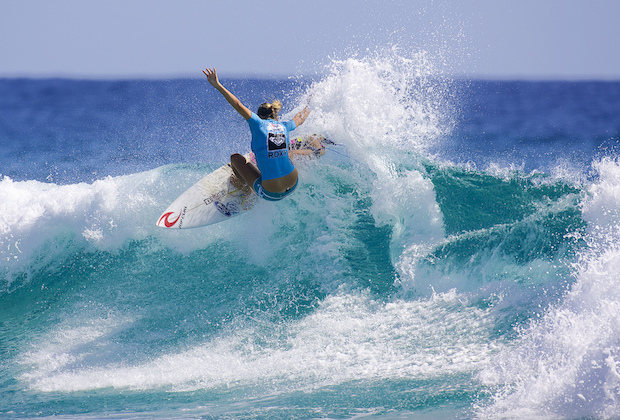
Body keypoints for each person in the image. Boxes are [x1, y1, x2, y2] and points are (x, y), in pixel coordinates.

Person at [203, 68, 311, 201]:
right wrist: (310, 102)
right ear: (276, 116)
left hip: (271, 193)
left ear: (259, 116)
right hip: (294, 182)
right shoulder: (285, 125)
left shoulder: (258, 124)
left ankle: (245, 191)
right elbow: (300, 118)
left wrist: (218, 85)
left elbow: (237, 104)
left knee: (236, 158)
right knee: (285, 154)